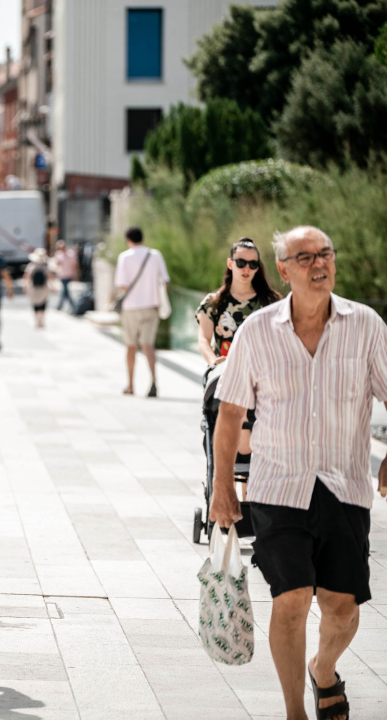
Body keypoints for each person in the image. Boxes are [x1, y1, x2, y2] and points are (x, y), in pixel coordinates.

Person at [212, 226, 387, 720]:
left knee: (342, 606)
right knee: (289, 599)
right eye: (304, 256)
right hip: (278, 486)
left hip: (344, 485)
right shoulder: (257, 331)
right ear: (284, 270)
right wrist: (223, 488)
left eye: (325, 253)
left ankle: (324, 669)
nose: (319, 263)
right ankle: (295, 713)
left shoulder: (367, 325)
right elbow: (229, 413)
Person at [196, 238, 282, 495]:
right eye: (241, 262)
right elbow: (203, 339)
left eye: (253, 264)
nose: (247, 268)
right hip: (225, 373)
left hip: (262, 376)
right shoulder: (214, 302)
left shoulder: (271, 301)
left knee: (255, 425)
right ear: (230, 263)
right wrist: (214, 362)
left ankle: (251, 496)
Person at [114, 226, 169, 397]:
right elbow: (164, 281)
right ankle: (153, 382)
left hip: (130, 307)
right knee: (148, 345)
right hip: (151, 306)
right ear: (142, 238)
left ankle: (130, 385)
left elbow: (122, 285)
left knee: (131, 346)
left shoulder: (124, 257)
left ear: (128, 240)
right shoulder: (155, 255)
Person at [24, 248, 50, 329]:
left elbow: (27, 277)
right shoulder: (45, 266)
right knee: (43, 304)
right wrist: (53, 287)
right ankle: (41, 321)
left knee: (35, 304)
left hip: (33, 288)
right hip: (44, 288)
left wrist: (25, 287)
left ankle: (37, 322)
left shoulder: (31, 266)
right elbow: (50, 276)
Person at [53, 240, 79, 312]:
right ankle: (72, 306)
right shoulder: (58, 254)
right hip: (61, 274)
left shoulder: (71, 253)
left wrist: (75, 274)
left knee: (65, 290)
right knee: (65, 290)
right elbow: (56, 264)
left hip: (69, 274)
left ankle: (60, 305)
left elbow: (75, 265)